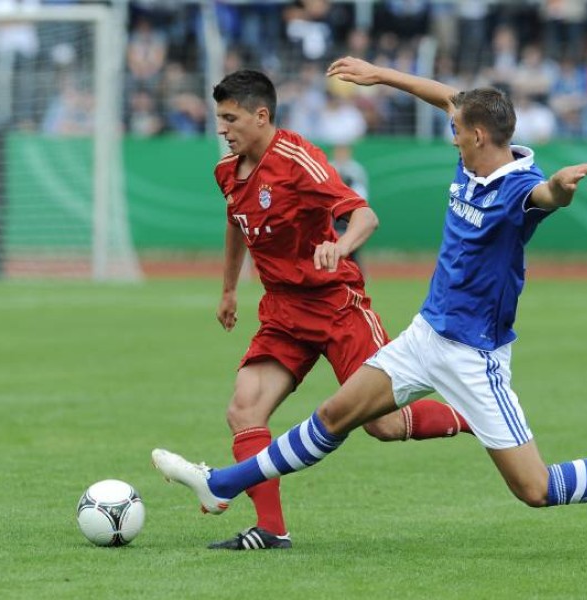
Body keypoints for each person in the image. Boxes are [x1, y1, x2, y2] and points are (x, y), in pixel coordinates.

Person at [153, 58, 587, 537]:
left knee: (537, 489)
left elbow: (545, 196)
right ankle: (222, 483)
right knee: (335, 416)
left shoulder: (516, 189)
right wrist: (382, 75)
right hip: (425, 335)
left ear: (479, 137)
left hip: (474, 356)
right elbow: (452, 98)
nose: (451, 134)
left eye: (458, 130)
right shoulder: (476, 149)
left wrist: (561, 188)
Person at [191, 69, 473, 551]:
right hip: (282, 312)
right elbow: (237, 224)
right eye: (219, 118)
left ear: (262, 115)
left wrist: (340, 248)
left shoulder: (298, 158)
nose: (222, 128)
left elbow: (365, 215)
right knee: (243, 409)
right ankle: (270, 530)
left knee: (381, 424)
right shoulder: (227, 172)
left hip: (336, 306)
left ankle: (471, 414)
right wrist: (228, 291)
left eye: (230, 118)